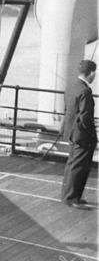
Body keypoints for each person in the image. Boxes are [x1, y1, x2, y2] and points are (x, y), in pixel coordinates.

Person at [60, 59, 97, 209]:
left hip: (72, 132)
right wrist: (92, 135)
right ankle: (72, 198)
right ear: (91, 73)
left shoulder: (71, 86)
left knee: (72, 164)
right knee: (79, 167)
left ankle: (69, 195)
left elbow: (69, 110)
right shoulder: (85, 91)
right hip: (82, 136)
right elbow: (85, 117)